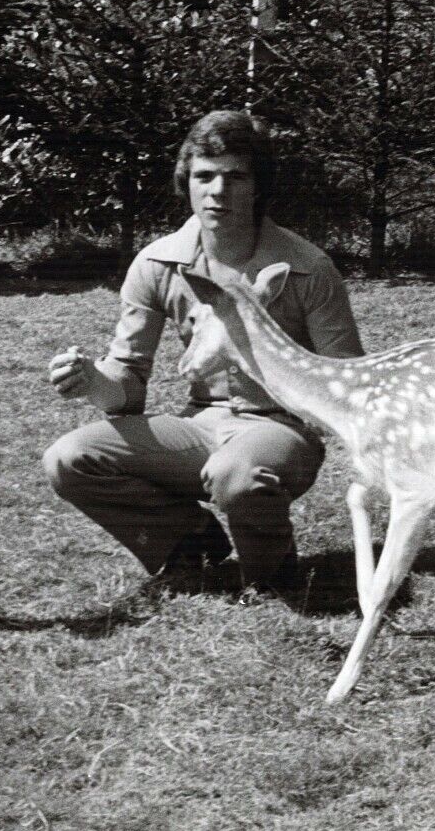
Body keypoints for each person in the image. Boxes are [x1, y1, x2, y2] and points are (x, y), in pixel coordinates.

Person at [42, 110, 364, 591]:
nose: (218, 191)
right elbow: (127, 388)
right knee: (69, 458)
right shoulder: (156, 264)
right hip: (199, 425)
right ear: (186, 182)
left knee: (237, 473)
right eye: (204, 176)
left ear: (259, 186)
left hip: (281, 431)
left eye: (236, 177)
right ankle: (187, 545)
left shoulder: (308, 267)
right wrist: (92, 381)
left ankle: (273, 575)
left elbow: (349, 382)